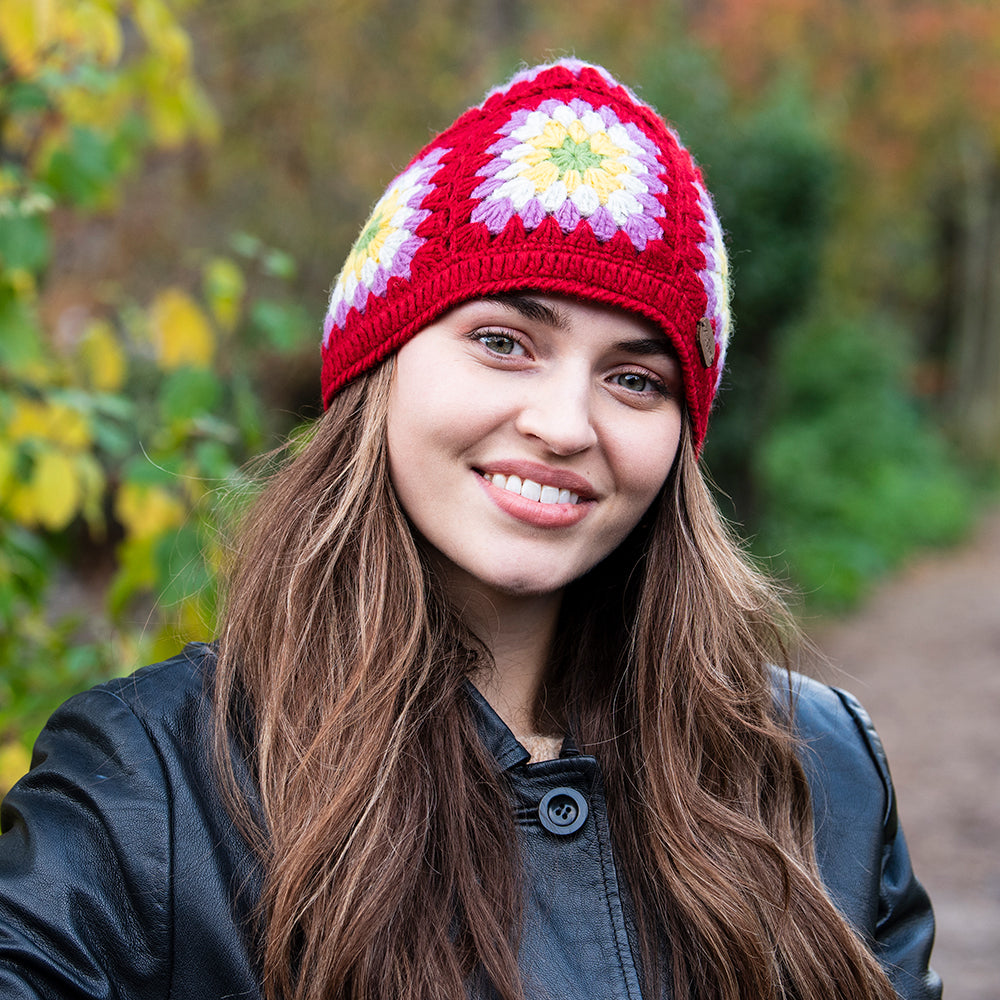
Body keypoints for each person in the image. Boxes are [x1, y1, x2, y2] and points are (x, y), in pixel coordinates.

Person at [0, 59, 939, 1000]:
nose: (565, 425)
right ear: (382, 363)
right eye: (504, 342)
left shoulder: (818, 772)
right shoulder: (151, 786)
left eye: (635, 378)